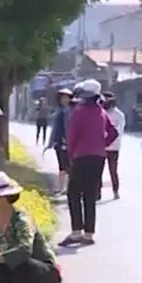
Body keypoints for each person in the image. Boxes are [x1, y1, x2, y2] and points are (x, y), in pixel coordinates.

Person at [59, 79, 117, 247]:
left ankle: (76, 232)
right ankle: (89, 234)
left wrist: (71, 156)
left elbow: (72, 137)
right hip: (99, 158)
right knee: (90, 195)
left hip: (81, 157)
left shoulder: (79, 112)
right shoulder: (102, 112)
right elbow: (113, 133)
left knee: (74, 194)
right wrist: (101, 145)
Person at [46, 88, 74, 194]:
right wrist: (51, 142)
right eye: (62, 98)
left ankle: (69, 188)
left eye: (66, 98)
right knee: (61, 166)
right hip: (59, 142)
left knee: (69, 166)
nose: (64, 100)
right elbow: (55, 128)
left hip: (69, 142)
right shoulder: (59, 111)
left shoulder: (72, 111)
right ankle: (61, 187)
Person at [102, 91, 125, 200]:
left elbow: (118, 131)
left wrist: (108, 138)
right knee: (98, 170)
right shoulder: (101, 113)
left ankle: (115, 191)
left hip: (113, 147)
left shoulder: (119, 115)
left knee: (113, 169)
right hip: (101, 146)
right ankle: (97, 192)